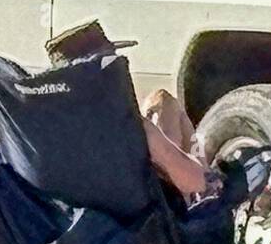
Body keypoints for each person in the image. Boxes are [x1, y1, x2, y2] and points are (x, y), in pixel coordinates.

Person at [46, 21, 218, 201]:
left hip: (83, 220)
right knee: (191, 172)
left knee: (162, 100)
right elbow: (191, 181)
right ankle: (211, 186)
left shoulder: (44, 129)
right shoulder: (125, 123)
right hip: (141, 219)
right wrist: (205, 177)